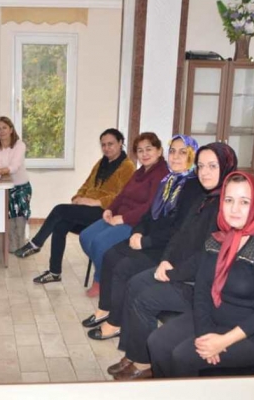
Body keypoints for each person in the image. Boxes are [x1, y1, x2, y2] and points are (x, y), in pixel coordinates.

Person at [98, 142, 238, 380]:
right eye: (201, 166)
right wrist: (166, 261)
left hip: (202, 285)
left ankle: (144, 364)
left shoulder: (226, 206)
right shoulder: (204, 198)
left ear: (226, 167)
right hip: (181, 269)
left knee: (145, 297)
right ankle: (134, 353)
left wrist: (173, 272)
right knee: (135, 282)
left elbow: (209, 256)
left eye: (212, 166)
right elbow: (180, 236)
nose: (205, 172)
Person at [148, 172, 254, 378]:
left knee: (183, 356)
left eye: (244, 202)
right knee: (157, 342)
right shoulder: (217, 241)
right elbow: (202, 291)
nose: (234, 209)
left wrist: (222, 341)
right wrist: (206, 333)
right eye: (229, 200)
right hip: (215, 321)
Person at [81, 135, 202, 335]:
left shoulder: (194, 187)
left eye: (183, 152)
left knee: (123, 267)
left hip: (168, 248)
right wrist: (137, 232)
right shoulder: (168, 180)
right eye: (173, 151)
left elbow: (180, 231)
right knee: (110, 255)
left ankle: (116, 323)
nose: (176, 157)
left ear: (192, 155)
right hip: (151, 238)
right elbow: (149, 213)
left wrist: (145, 241)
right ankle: (105, 309)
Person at [14, 128, 136, 284]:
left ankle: (36, 243)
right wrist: (78, 197)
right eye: (103, 145)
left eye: (110, 144)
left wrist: (96, 202)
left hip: (105, 213)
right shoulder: (101, 163)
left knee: (59, 210)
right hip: (88, 210)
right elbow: (86, 185)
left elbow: (122, 196)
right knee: (60, 225)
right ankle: (54, 272)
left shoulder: (127, 167)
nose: (106, 148)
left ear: (120, 143)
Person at [79, 132, 168, 297]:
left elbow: (150, 206)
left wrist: (123, 218)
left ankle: (101, 280)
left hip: (136, 223)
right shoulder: (140, 172)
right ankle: (108, 270)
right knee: (85, 236)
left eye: (149, 149)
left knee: (99, 243)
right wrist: (110, 209)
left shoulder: (162, 174)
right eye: (140, 151)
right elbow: (122, 195)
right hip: (119, 216)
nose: (144, 154)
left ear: (159, 151)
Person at [0, 116, 31, 252]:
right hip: (2, 187)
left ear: (11, 129)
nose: (1, 131)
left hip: (21, 186)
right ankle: (11, 244)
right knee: (7, 215)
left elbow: (14, 167)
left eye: (4, 128)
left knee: (19, 216)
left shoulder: (19, 145)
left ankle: (21, 244)